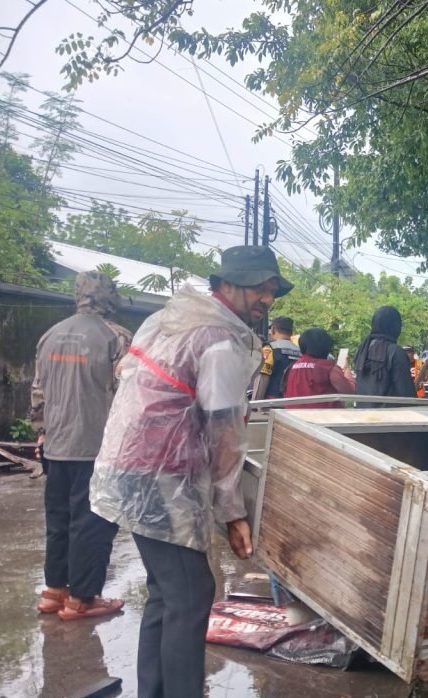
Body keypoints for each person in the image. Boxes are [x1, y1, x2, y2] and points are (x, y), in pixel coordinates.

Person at [90, 245, 293, 698]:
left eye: (272, 290)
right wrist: (232, 511)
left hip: (130, 463)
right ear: (226, 285)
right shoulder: (218, 340)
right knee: (191, 593)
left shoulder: (170, 319)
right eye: (260, 287)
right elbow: (223, 430)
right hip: (162, 472)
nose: (267, 298)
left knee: (167, 591)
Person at [29, 271, 132, 620]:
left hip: (56, 446)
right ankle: (83, 599)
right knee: (93, 522)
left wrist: (41, 434)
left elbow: (38, 391)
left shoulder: (49, 335)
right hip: (97, 449)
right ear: (108, 297)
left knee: (58, 519)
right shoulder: (115, 338)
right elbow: (128, 397)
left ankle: (54, 591)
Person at [353, 306, 416, 407]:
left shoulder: (362, 349)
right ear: (396, 326)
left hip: (362, 414)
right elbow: (406, 393)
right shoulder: (395, 352)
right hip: (388, 417)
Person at [283, 328, 356, 408]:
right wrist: (347, 371)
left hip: (292, 417)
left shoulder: (291, 366)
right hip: (323, 418)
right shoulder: (328, 368)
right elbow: (349, 392)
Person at [257, 316, 302, 399]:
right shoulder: (301, 352)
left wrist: (256, 402)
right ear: (292, 332)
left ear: (273, 329)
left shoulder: (270, 348)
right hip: (293, 401)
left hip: (273, 400)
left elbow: (263, 377)